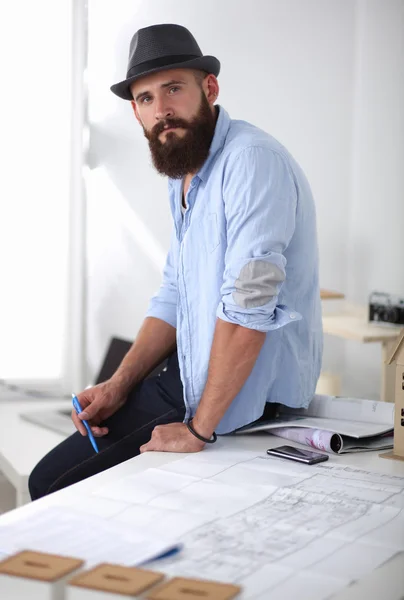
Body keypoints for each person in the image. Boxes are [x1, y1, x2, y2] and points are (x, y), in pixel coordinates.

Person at [29, 23, 322, 500]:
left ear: (209, 88)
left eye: (173, 89)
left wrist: (199, 430)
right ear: (135, 112)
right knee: (59, 481)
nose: (161, 110)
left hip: (241, 397)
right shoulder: (185, 173)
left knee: (53, 485)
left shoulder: (250, 161)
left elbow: (249, 305)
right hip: (186, 378)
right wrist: (119, 384)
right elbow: (175, 293)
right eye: (146, 99)